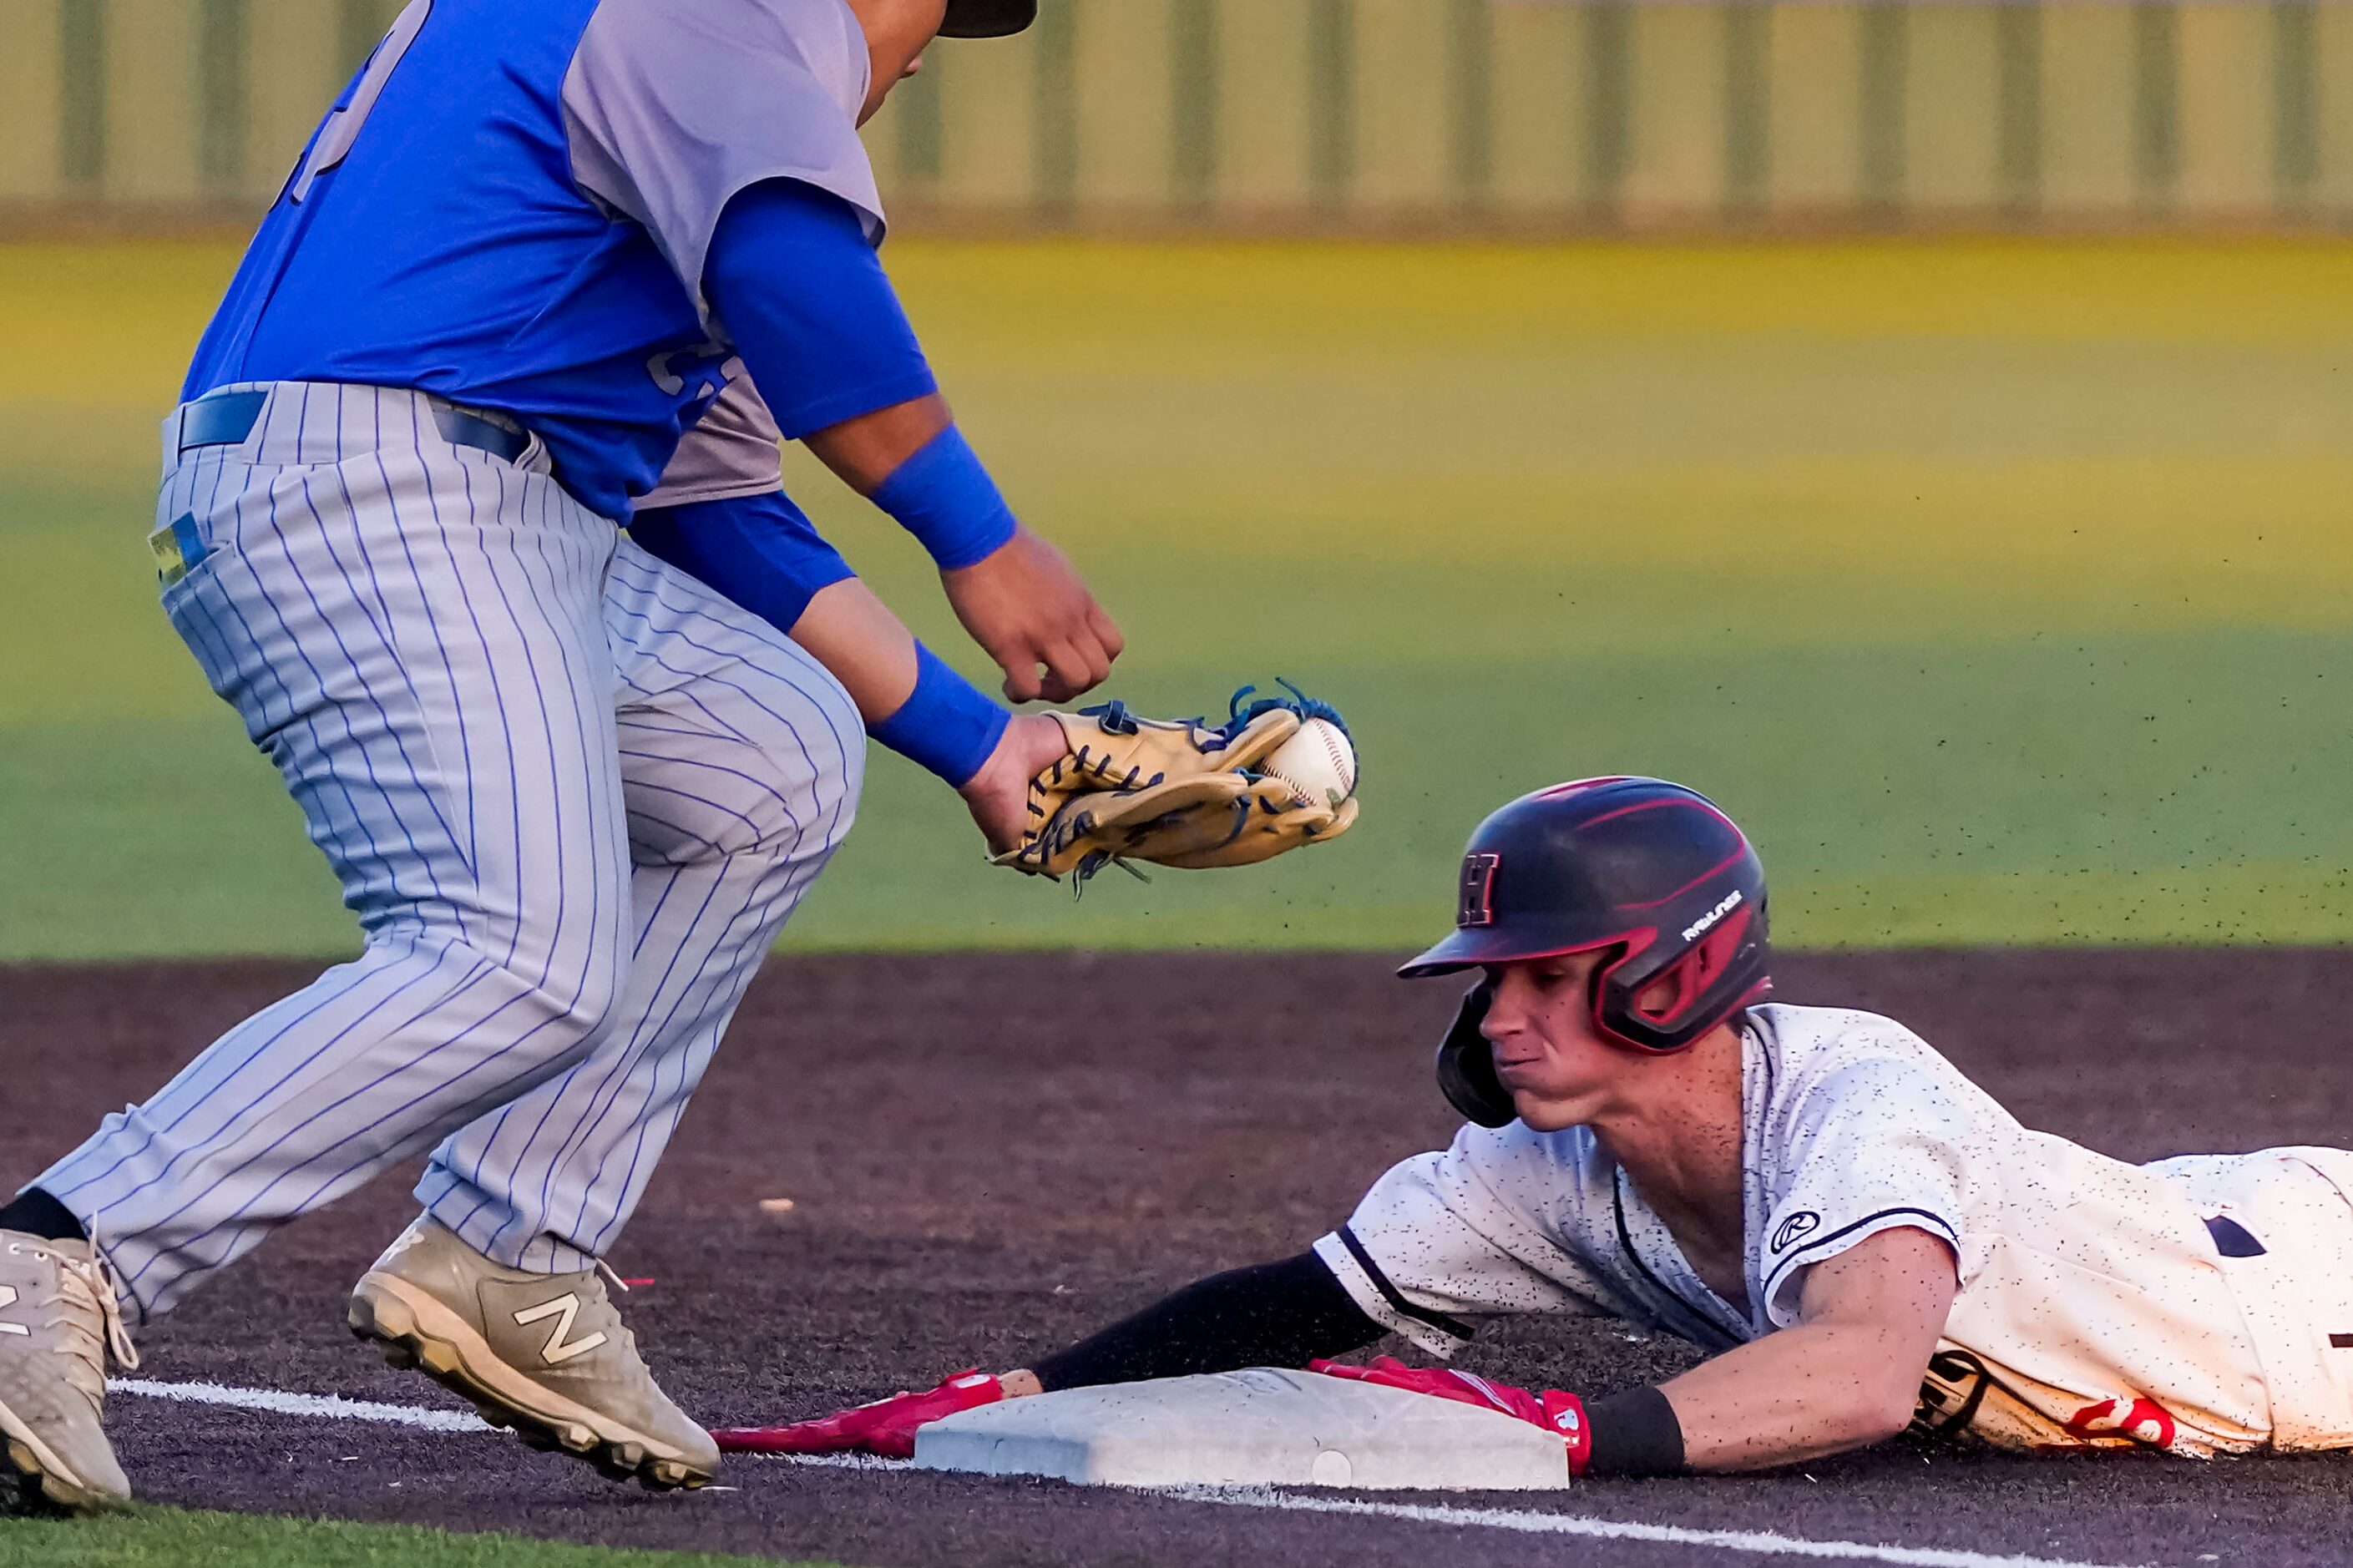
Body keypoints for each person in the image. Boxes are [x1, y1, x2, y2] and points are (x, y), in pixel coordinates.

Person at [0, 0, 1116, 1512]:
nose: (906, 68)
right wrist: (983, 544)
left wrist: (987, 749)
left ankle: (509, 1249)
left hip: (499, 501)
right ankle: (52, 1256)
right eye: (928, 37)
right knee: (514, 954)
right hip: (381, 476)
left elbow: (715, 511)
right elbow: (793, 273)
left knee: (769, 760)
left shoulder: (653, 113)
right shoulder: (709, 12)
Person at [740, 776, 2353, 1475]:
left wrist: (1583, 1434)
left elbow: (1859, 1373)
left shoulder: (1855, 1101)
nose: (1496, 1014)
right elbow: (1299, 1301)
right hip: (2194, 1234)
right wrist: (999, 1396)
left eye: (1540, 976)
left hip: (2299, 1306)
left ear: (1668, 971)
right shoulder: (1546, 1171)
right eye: (1486, 977)